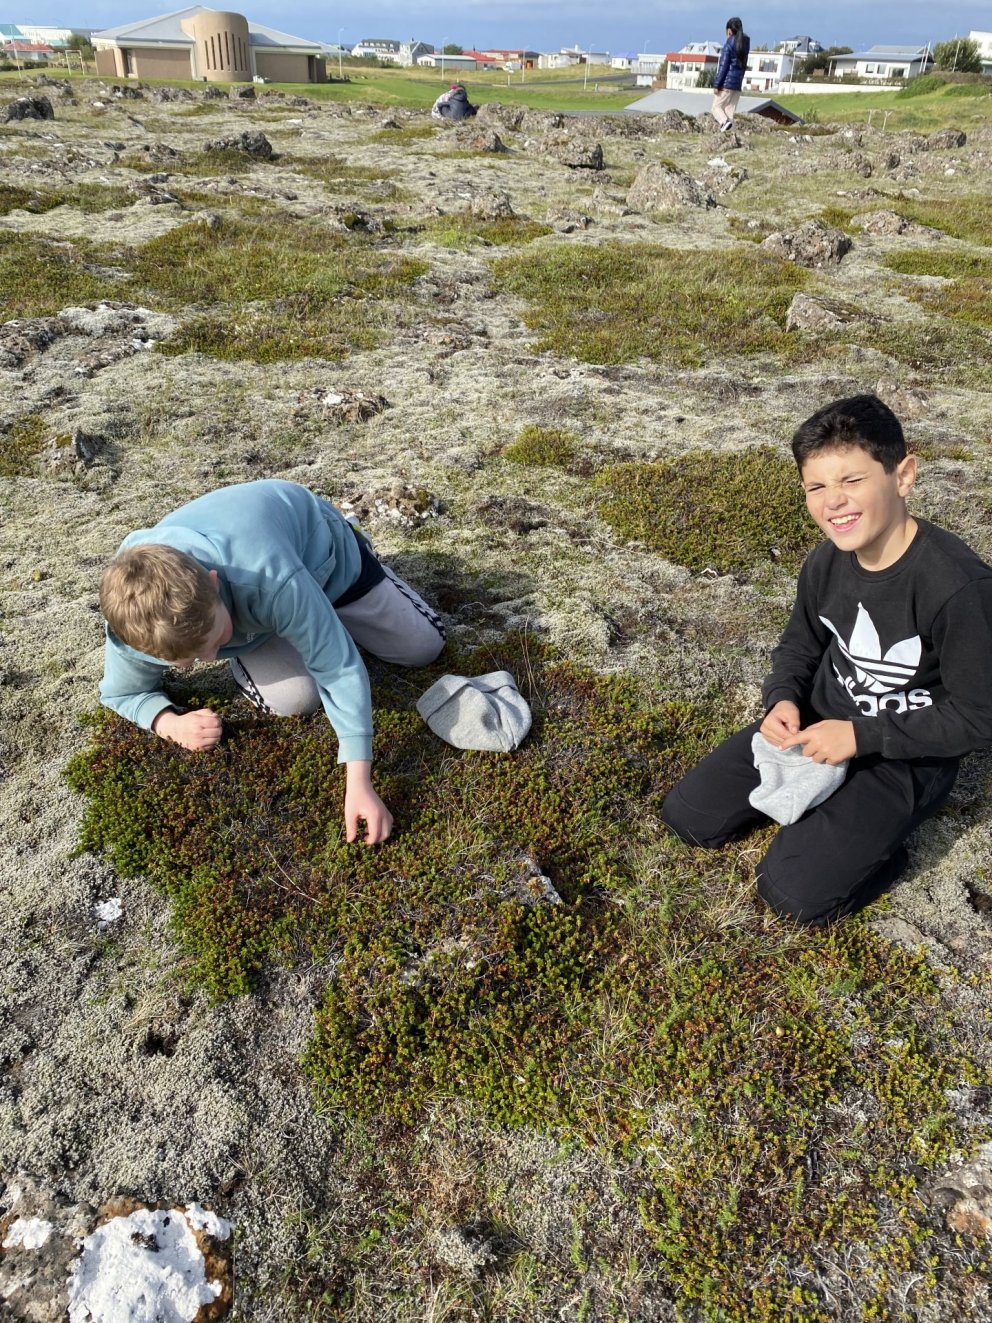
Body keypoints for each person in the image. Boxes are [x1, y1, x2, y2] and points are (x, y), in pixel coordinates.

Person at [662, 395, 992, 926]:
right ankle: (827, 818)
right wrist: (782, 698)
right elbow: (800, 643)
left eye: (852, 480)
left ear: (902, 475)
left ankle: (881, 851)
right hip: (813, 728)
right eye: (816, 487)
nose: (833, 502)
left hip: (903, 757)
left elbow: (979, 716)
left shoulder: (959, 589)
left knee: (791, 895)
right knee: (688, 819)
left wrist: (862, 738)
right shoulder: (827, 559)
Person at [98, 479, 446, 845]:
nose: (209, 659)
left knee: (422, 648)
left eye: (215, 643)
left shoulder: (270, 576)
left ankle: (349, 539)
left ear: (215, 585)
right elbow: (121, 693)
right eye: (192, 660)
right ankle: (281, 625)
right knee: (295, 699)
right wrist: (169, 723)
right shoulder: (135, 620)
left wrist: (359, 780)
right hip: (261, 607)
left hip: (325, 563)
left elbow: (337, 666)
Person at [712, 16, 750, 132]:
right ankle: (730, 136)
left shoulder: (728, 45)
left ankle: (723, 122)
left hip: (727, 84)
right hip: (737, 85)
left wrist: (717, 85)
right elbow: (743, 66)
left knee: (716, 107)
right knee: (729, 111)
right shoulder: (745, 44)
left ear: (729, 31)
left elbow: (723, 67)